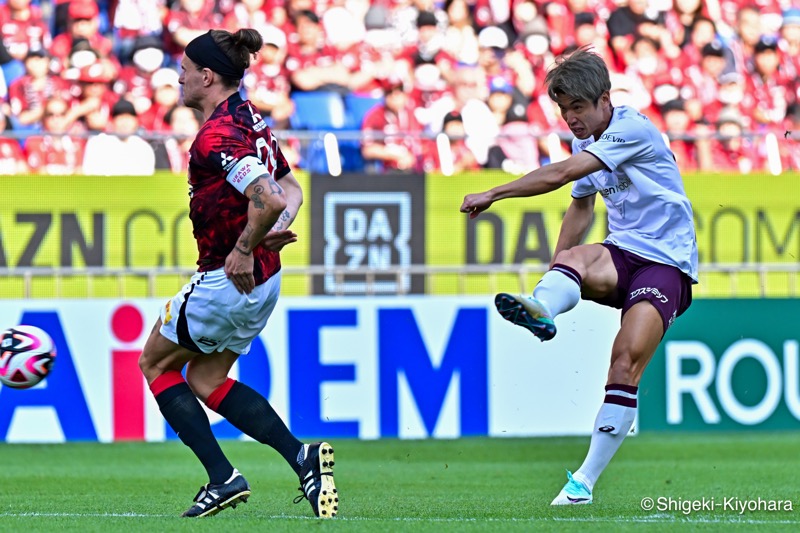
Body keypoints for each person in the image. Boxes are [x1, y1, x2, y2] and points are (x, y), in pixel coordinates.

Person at [460, 47, 697, 505]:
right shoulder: (584, 140)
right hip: (624, 252)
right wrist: (556, 271)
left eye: (578, 107)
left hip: (667, 264)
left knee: (625, 361)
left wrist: (494, 192)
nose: (570, 118)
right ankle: (543, 308)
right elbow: (581, 204)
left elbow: (565, 173)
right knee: (578, 258)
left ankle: (583, 482)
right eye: (563, 109)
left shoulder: (631, 128)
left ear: (605, 100)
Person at [137, 28, 338, 519]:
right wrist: (273, 232)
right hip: (264, 280)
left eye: (185, 70)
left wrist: (246, 245)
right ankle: (302, 457)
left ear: (206, 77)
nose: (179, 77)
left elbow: (269, 196)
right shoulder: (249, 119)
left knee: (155, 364)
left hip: (228, 279)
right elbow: (291, 189)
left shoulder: (219, 135)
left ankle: (222, 478)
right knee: (206, 378)